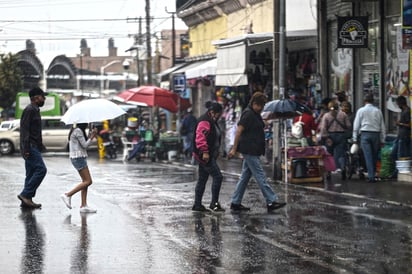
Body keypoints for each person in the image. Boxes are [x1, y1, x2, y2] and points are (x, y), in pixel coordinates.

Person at [228, 92, 286, 212]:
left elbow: (260, 125)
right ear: (255, 104)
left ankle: (235, 202)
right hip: (249, 149)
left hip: (253, 149)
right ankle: (271, 201)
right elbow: (239, 131)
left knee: (245, 177)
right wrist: (234, 149)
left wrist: (271, 118)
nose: (262, 108)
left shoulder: (255, 114)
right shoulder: (248, 114)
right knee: (260, 175)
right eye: (261, 106)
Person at [18, 87, 48, 209]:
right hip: (30, 146)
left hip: (33, 145)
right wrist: (26, 148)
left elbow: (35, 131)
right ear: (36, 98)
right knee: (41, 170)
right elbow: (25, 130)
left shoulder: (35, 110)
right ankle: (25, 194)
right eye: (42, 96)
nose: (44, 98)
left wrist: (41, 145)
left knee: (30, 173)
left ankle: (26, 201)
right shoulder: (30, 110)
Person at [192, 101, 225, 212]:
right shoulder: (205, 121)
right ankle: (214, 204)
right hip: (204, 155)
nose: (220, 116)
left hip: (207, 154)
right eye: (219, 113)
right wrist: (205, 151)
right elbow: (200, 138)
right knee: (218, 177)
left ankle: (197, 205)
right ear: (213, 112)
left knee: (202, 179)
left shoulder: (211, 120)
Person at [61, 123, 98, 213]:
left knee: (85, 182)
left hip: (79, 158)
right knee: (88, 181)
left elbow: (83, 144)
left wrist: (89, 135)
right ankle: (68, 195)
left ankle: (83, 205)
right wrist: (92, 136)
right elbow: (85, 145)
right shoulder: (78, 131)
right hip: (78, 158)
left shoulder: (77, 130)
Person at [353, 94, 386, 183]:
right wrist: (383, 139)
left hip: (365, 134)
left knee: (368, 155)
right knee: (375, 155)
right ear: (373, 101)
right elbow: (382, 126)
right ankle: (373, 174)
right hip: (376, 134)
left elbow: (356, 125)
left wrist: (355, 138)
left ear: (365, 101)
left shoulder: (361, 111)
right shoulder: (378, 111)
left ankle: (371, 176)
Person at [320, 101, 351, 180]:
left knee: (329, 155)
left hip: (330, 136)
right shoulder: (343, 114)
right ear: (337, 107)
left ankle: (328, 172)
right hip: (341, 136)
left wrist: (325, 137)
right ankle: (343, 169)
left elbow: (323, 128)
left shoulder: (326, 116)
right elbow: (348, 125)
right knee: (341, 154)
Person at [390, 96, 411, 178]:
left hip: (404, 135)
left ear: (401, 103)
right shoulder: (403, 111)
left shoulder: (407, 111)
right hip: (400, 135)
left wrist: (400, 124)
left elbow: (409, 125)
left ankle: (397, 172)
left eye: (398, 104)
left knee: (400, 155)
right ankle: (396, 171)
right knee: (393, 153)